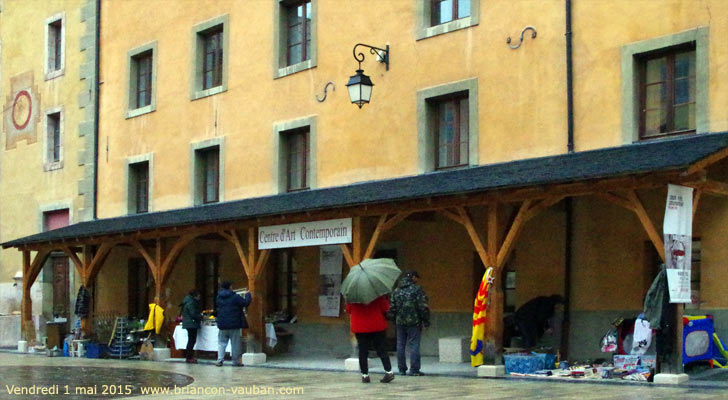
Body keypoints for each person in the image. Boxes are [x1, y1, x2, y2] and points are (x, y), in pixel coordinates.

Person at [345, 295, 395, 384]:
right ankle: (389, 372)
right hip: (377, 325)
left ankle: (365, 375)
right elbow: (385, 308)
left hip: (360, 327)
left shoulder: (353, 296)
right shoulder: (377, 295)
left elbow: (348, 310)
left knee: (363, 351)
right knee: (381, 349)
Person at [390, 270, 430, 376]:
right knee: (414, 344)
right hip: (414, 321)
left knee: (400, 345)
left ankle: (402, 369)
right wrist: (426, 321)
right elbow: (423, 307)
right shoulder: (417, 290)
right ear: (413, 277)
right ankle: (414, 369)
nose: (417, 279)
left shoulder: (396, 290)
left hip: (400, 322)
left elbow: (392, 308)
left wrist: (394, 319)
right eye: (417, 277)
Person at [214, 281, 252, 367]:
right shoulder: (235, 297)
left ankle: (220, 360)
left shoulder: (218, 297)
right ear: (230, 287)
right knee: (235, 344)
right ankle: (236, 361)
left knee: (221, 343)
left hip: (222, 324)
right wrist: (248, 294)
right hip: (234, 323)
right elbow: (245, 303)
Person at [180, 289, 202, 363]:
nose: (200, 297)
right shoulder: (191, 302)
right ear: (195, 296)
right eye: (199, 296)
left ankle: (189, 356)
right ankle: (189, 357)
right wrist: (201, 317)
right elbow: (193, 314)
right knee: (191, 340)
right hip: (191, 323)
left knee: (191, 340)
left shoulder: (188, 301)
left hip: (189, 323)